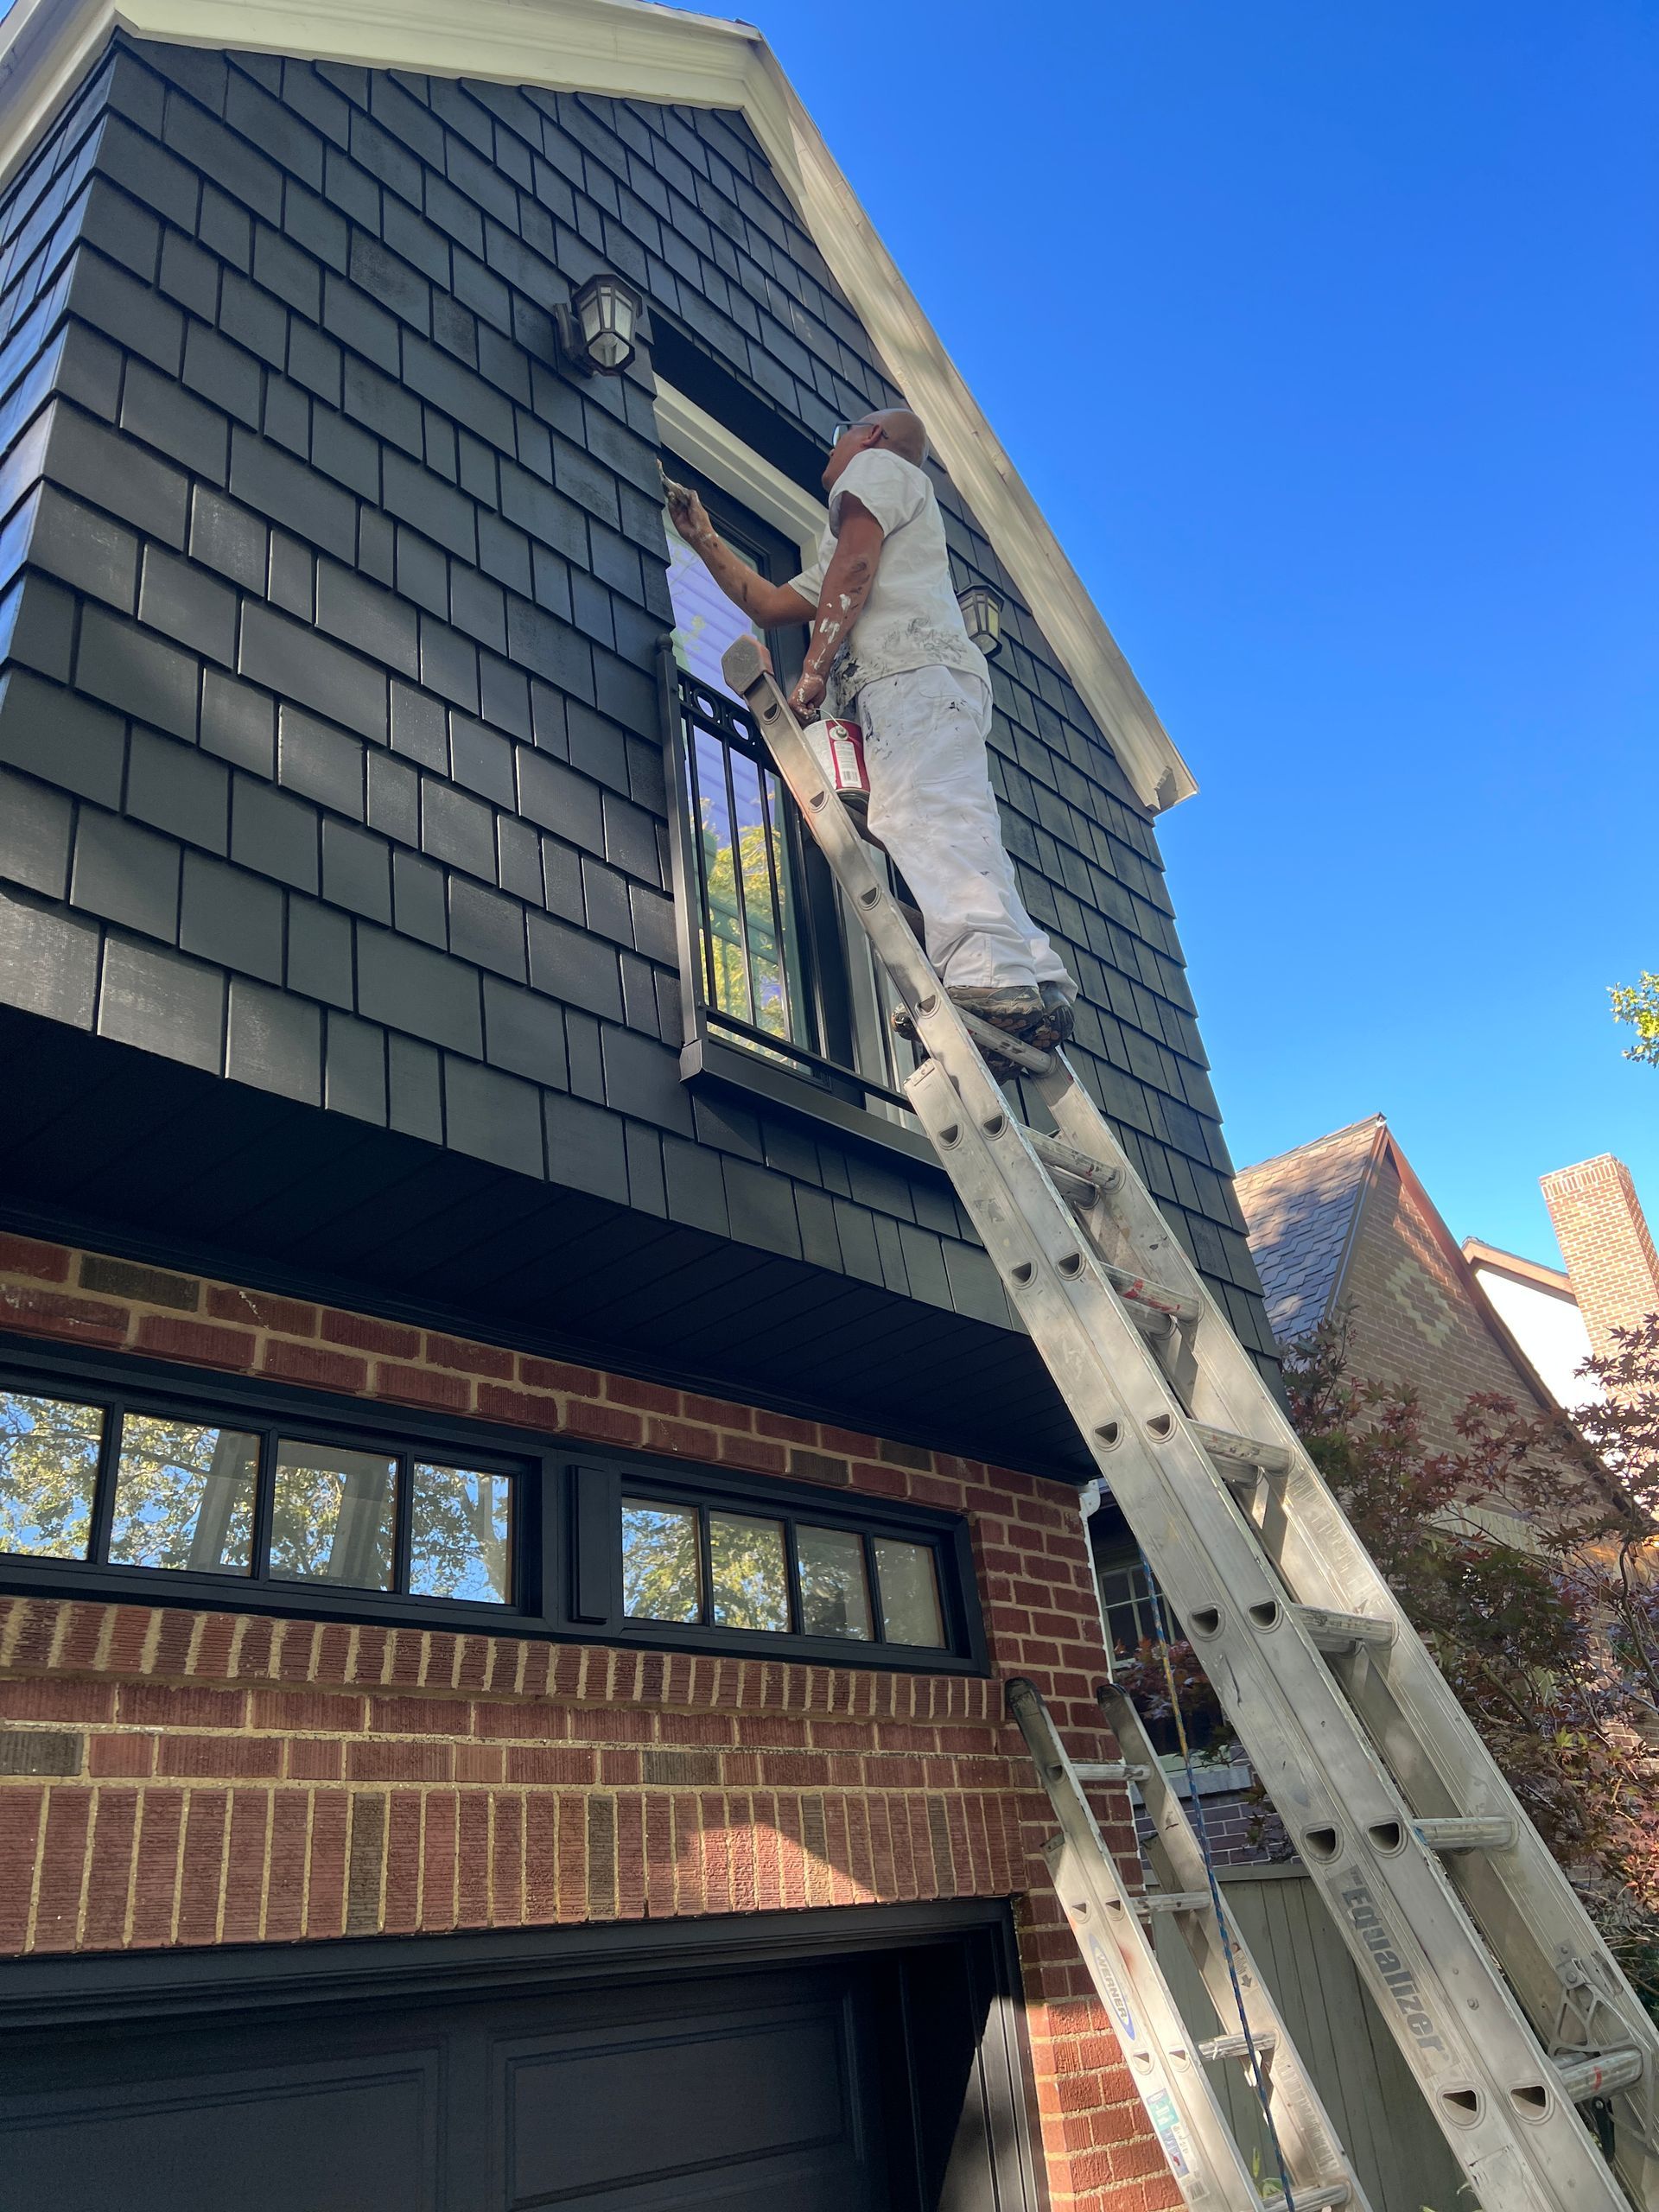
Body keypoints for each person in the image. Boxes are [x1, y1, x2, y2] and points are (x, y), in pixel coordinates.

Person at [667, 410, 1077, 1049]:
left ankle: (990, 976)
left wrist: (813, 670)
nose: (832, 456)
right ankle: (1034, 980)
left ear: (872, 437)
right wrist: (704, 537)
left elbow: (853, 572)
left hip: (910, 673)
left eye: (841, 437)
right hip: (923, 680)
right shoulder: (867, 521)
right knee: (959, 820)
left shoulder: (878, 470)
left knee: (926, 814)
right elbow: (772, 603)